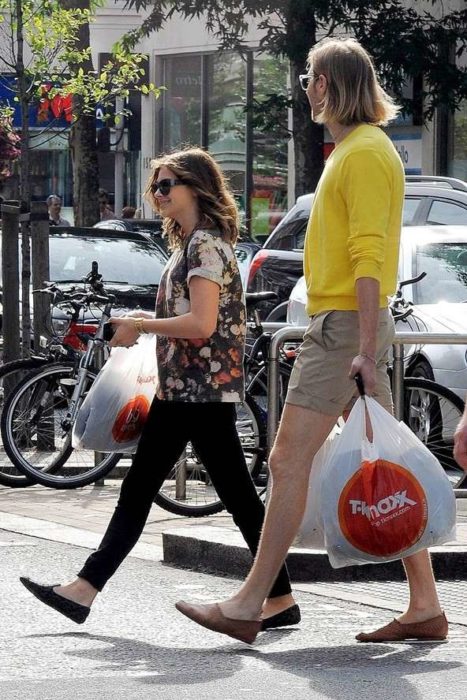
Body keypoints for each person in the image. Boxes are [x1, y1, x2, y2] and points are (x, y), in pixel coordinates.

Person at [175, 38, 448, 645]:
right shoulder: (355, 151)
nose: (304, 86)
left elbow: (370, 254)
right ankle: (425, 605)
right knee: (385, 461)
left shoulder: (366, 154)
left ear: (328, 84)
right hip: (343, 322)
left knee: (287, 460)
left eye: (309, 77)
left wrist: (363, 344)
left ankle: (250, 603)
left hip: (347, 323)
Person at [19, 147, 298, 633]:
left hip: (198, 389)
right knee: (226, 492)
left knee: (152, 488)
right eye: (156, 186)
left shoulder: (205, 245)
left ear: (197, 188)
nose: (158, 194)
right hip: (192, 388)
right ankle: (279, 596)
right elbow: (193, 318)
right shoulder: (190, 244)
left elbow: (201, 322)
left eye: (167, 185)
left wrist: (142, 325)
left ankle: (84, 589)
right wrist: (144, 322)